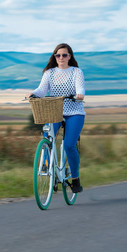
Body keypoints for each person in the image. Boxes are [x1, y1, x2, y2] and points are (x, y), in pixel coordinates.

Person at [27, 43, 86, 193]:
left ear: (69, 57)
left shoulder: (76, 72)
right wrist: (32, 94)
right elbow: (41, 90)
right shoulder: (49, 73)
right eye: (58, 55)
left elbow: (80, 88)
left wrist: (79, 95)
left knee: (69, 146)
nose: (61, 58)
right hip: (55, 111)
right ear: (55, 57)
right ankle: (47, 164)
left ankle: (75, 178)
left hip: (74, 112)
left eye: (64, 55)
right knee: (47, 136)